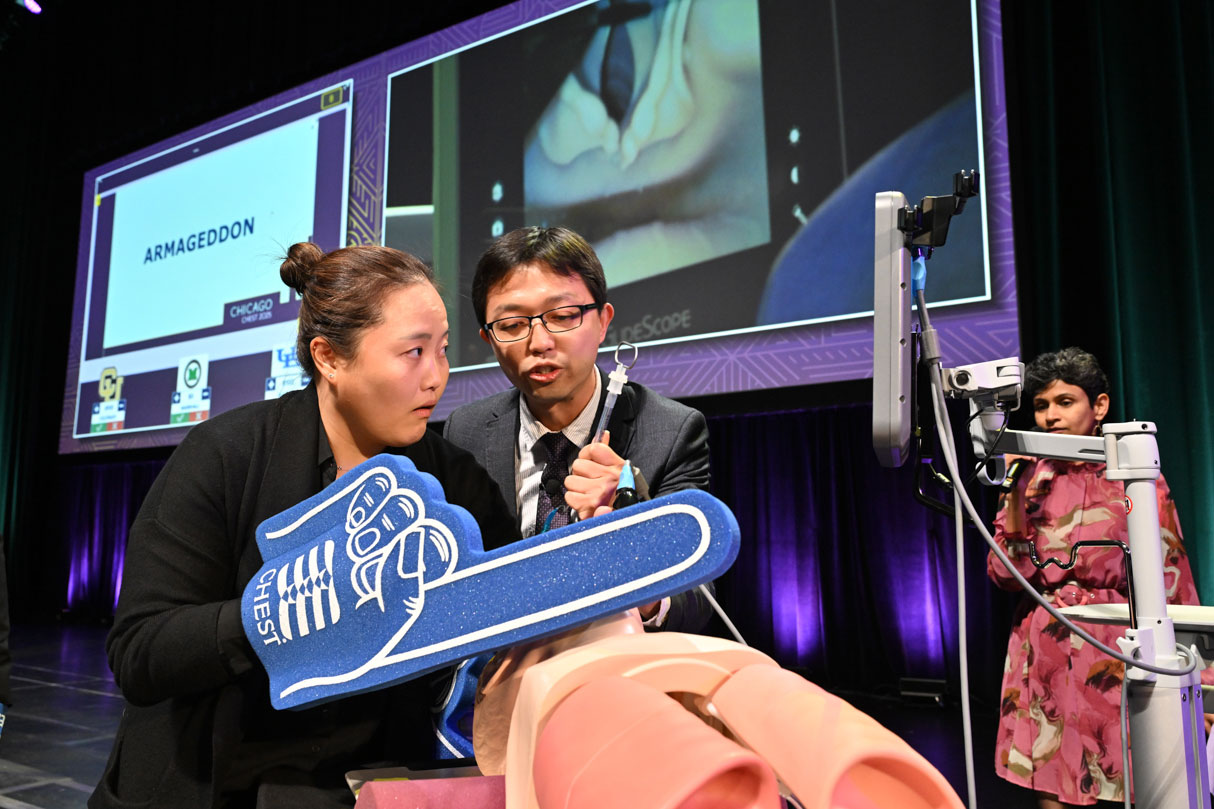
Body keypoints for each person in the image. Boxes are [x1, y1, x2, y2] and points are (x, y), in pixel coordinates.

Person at [91, 244, 521, 809]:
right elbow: (140, 653)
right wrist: (281, 614)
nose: (436, 377)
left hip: (370, 783)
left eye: (442, 351)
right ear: (329, 358)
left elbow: (508, 614)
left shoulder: (454, 480)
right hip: (218, 781)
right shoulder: (225, 455)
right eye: (412, 352)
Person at [443, 226, 712, 631]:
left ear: (603, 322)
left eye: (563, 316)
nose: (540, 342)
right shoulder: (465, 432)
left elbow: (698, 599)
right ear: (488, 338)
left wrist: (627, 524)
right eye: (512, 324)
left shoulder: (670, 430)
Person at [987, 347, 1205, 808]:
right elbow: (1005, 574)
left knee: (1116, 776)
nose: (1050, 417)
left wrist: (1202, 679)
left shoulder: (1134, 476)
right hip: (1042, 644)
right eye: (1042, 405)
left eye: (1065, 402)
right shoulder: (1029, 478)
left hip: (1111, 647)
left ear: (1098, 406)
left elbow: (1172, 576)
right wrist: (1012, 496)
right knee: (1049, 779)